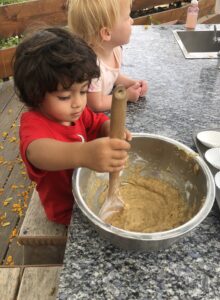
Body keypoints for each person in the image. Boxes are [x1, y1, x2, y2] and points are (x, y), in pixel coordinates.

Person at [13, 27, 131, 225]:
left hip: (85, 190)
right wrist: (84, 153)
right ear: (36, 94)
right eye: (64, 96)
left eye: (84, 91)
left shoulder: (75, 112)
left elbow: (96, 121)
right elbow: (37, 153)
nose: (78, 103)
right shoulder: (34, 124)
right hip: (67, 209)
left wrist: (110, 128)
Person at [68, 0, 148, 112]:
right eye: (127, 18)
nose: (132, 21)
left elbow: (114, 77)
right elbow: (96, 104)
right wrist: (126, 96)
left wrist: (133, 84)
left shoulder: (115, 50)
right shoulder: (91, 66)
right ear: (106, 33)